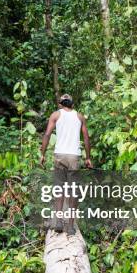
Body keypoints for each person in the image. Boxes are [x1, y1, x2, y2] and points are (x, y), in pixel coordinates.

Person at [40, 93, 92, 234]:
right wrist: (88, 158)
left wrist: (42, 154)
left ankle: (58, 221)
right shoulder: (79, 116)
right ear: (73, 105)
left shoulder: (56, 115)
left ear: (60, 104)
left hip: (60, 155)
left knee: (59, 187)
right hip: (74, 156)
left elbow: (47, 134)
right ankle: (70, 225)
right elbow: (86, 138)